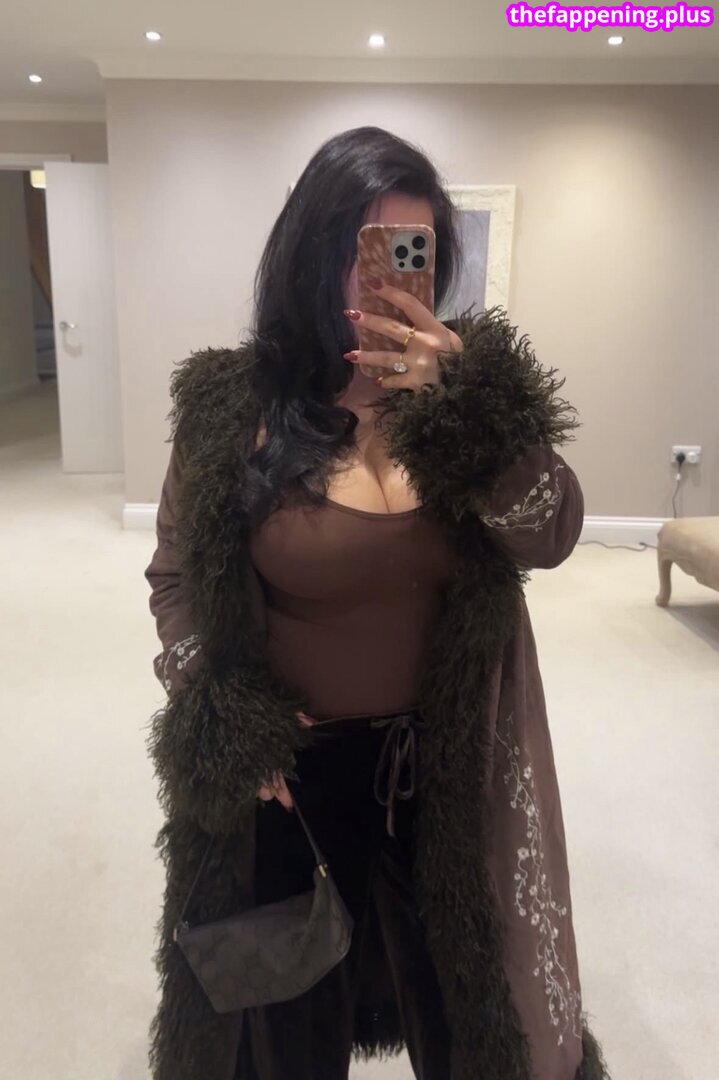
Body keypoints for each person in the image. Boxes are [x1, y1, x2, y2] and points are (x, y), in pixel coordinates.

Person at [144, 126, 610, 1080]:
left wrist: (461, 406)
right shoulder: (234, 407)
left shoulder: (470, 393)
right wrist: (224, 717)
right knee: (280, 1034)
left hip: (447, 771)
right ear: (310, 251)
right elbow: (177, 579)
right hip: (291, 781)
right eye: (359, 247)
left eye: (409, 248)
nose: (379, 277)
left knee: (475, 1025)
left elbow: (550, 533)